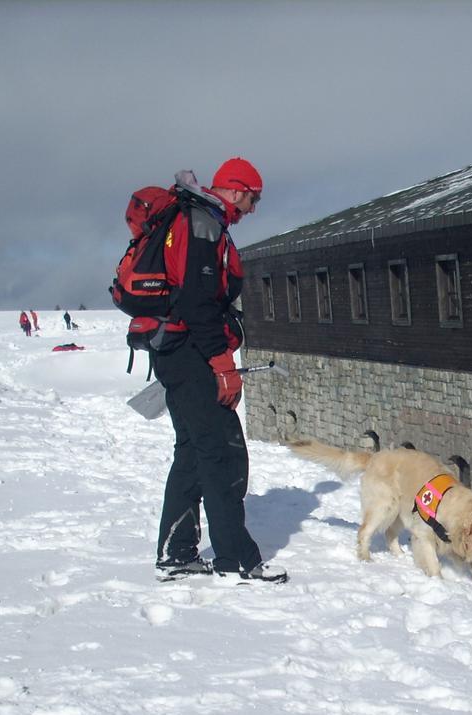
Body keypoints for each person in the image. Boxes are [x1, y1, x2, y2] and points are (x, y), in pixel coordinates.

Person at [152, 157, 286, 584]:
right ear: (237, 189)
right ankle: (236, 559)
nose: (252, 209)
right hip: (192, 352)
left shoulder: (193, 218)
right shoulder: (203, 224)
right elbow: (197, 302)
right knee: (222, 453)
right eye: (253, 199)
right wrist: (222, 362)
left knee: (193, 450)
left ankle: (177, 553)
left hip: (173, 350)